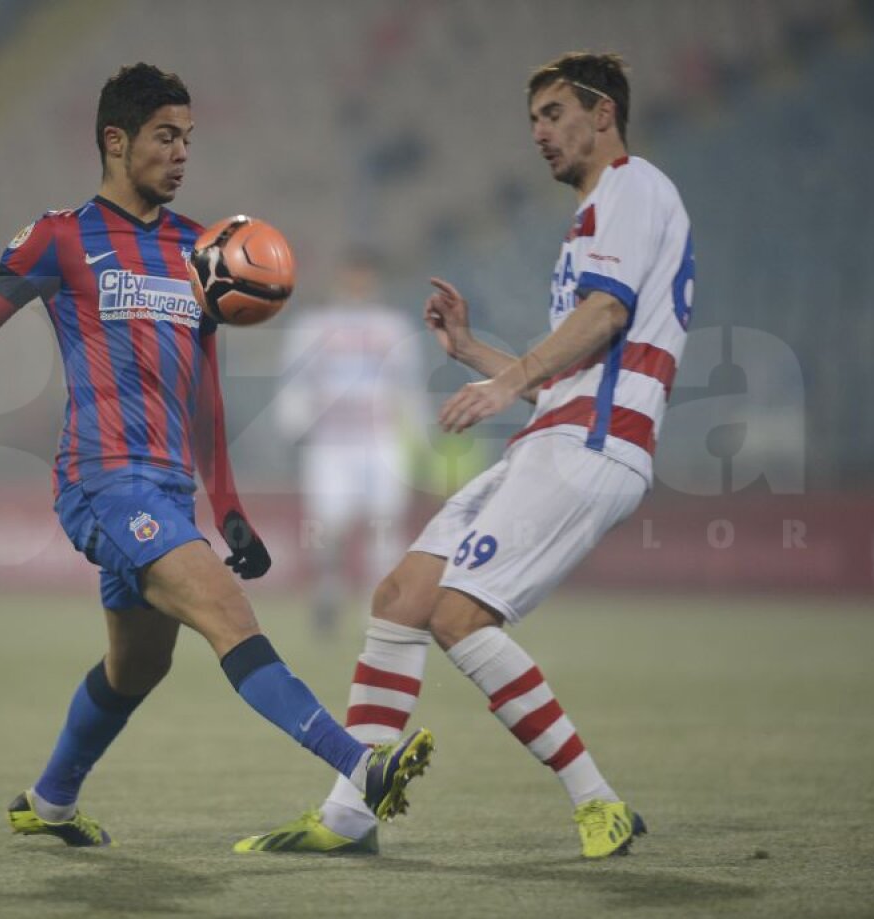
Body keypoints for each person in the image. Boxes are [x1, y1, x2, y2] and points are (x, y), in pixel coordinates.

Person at [0, 63, 433, 847]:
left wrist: (227, 508)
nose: (182, 152)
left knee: (137, 668)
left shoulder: (202, 249)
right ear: (115, 140)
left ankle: (50, 800)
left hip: (164, 490)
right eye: (166, 136)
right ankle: (362, 767)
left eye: (188, 139)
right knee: (228, 614)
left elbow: (205, 394)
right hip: (100, 482)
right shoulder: (59, 236)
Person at [236, 51, 693, 859]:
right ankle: (349, 815)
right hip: (560, 429)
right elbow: (574, 361)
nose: (541, 134)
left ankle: (600, 802)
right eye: (533, 122)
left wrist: (510, 375)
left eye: (554, 114)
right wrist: (474, 351)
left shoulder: (634, 188)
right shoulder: (597, 212)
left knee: (459, 612)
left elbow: (606, 318)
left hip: (596, 443)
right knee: (403, 592)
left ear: (604, 114)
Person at [275, 251, 427, 636]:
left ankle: (378, 610)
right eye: (352, 275)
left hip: (380, 440)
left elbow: (408, 384)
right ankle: (328, 591)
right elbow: (295, 380)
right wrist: (292, 422)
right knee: (329, 528)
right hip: (331, 443)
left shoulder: (393, 326)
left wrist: (419, 433)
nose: (358, 283)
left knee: (385, 525)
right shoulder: (314, 327)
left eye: (364, 275)